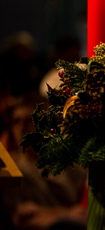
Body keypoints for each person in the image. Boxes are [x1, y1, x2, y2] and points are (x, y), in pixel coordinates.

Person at [1, 94, 87, 230]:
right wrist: (66, 212)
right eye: (16, 121)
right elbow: (20, 218)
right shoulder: (9, 167)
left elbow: (85, 210)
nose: (21, 128)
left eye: (29, 121)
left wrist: (44, 212)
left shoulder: (70, 161)